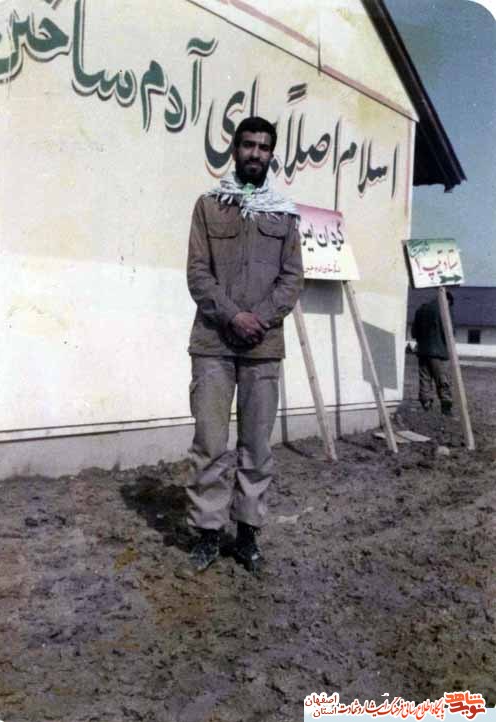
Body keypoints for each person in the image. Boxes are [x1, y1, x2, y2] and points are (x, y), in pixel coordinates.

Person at [184, 116, 303, 574]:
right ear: (234, 150)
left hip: (263, 346)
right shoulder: (209, 206)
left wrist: (260, 319)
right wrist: (233, 315)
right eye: (248, 145)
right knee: (210, 443)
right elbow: (198, 273)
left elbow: (292, 278)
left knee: (256, 445)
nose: (255, 153)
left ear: (272, 154)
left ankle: (248, 535)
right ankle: (207, 535)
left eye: (264, 147)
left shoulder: (284, 214)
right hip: (213, 343)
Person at [411, 291, 454, 415]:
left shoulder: (421, 309)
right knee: (442, 379)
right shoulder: (445, 310)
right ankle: (446, 406)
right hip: (439, 352)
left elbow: (414, 333)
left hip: (423, 351)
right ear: (447, 300)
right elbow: (450, 333)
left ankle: (426, 403)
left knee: (424, 378)